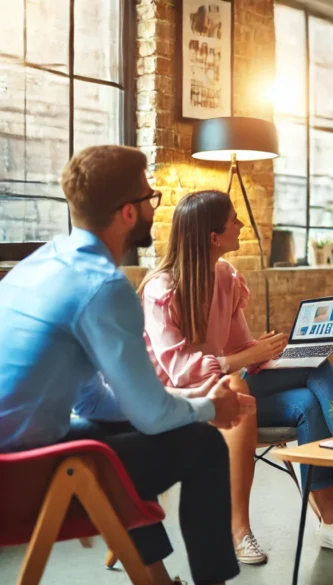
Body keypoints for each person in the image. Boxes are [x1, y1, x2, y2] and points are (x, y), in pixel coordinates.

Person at [0, 145, 253, 585]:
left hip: (17, 455)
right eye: (150, 197)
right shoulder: (103, 286)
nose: (155, 207)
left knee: (139, 432)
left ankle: (152, 576)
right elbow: (153, 417)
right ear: (128, 213)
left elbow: (92, 397)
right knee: (205, 445)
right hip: (20, 476)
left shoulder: (40, 263)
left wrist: (193, 396)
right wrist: (211, 409)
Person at [139, 190, 333, 562]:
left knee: (311, 379)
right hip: (181, 400)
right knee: (272, 396)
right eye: (234, 219)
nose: (241, 224)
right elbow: (180, 371)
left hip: (228, 385)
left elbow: (242, 353)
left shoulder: (226, 277)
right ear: (213, 236)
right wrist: (248, 355)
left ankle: (331, 518)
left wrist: (274, 353)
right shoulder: (161, 289)